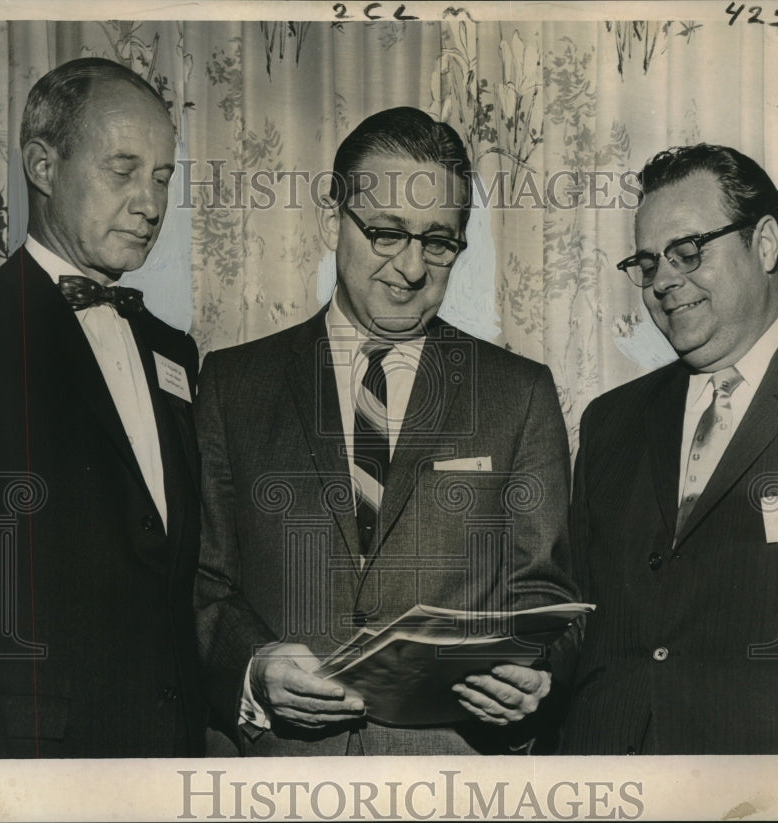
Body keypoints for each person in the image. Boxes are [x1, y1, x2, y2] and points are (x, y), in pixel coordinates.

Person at [194, 107, 581, 756]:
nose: (411, 267)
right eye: (385, 232)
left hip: (452, 776)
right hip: (279, 776)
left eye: (438, 242)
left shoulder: (519, 393)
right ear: (332, 219)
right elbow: (204, 582)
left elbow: (546, 595)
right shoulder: (233, 384)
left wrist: (534, 674)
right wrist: (254, 667)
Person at [0, 57, 204, 758]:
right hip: (17, 758)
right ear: (43, 167)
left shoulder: (175, 350)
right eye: (123, 170)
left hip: (167, 749)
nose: (150, 204)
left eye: (162, 177)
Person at [560, 144, 778, 754]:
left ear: (765, 244)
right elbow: (574, 615)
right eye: (648, 263)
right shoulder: (609, 422)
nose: (664, 281)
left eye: (688, 251)